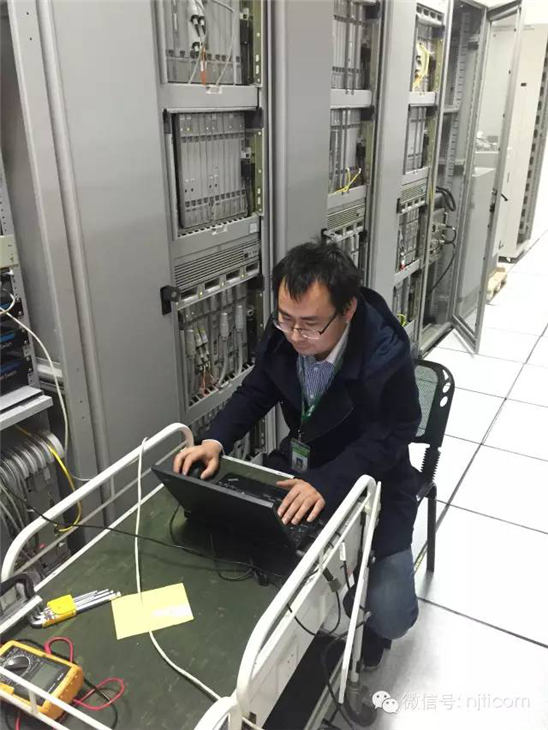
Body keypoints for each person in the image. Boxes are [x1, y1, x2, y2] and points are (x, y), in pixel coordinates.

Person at [174, 241, 422, 670]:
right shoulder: (287, 332)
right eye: (285, 319)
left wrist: (328, 482)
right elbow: (257, 389)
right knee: (250, 553)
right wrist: (215, 440)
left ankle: (372, 633)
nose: (293, 335)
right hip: (304, 461)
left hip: (375, 473)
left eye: (309, 325)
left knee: (392, 613)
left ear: (347, 310)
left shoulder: (385, 352)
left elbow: (396, 432)